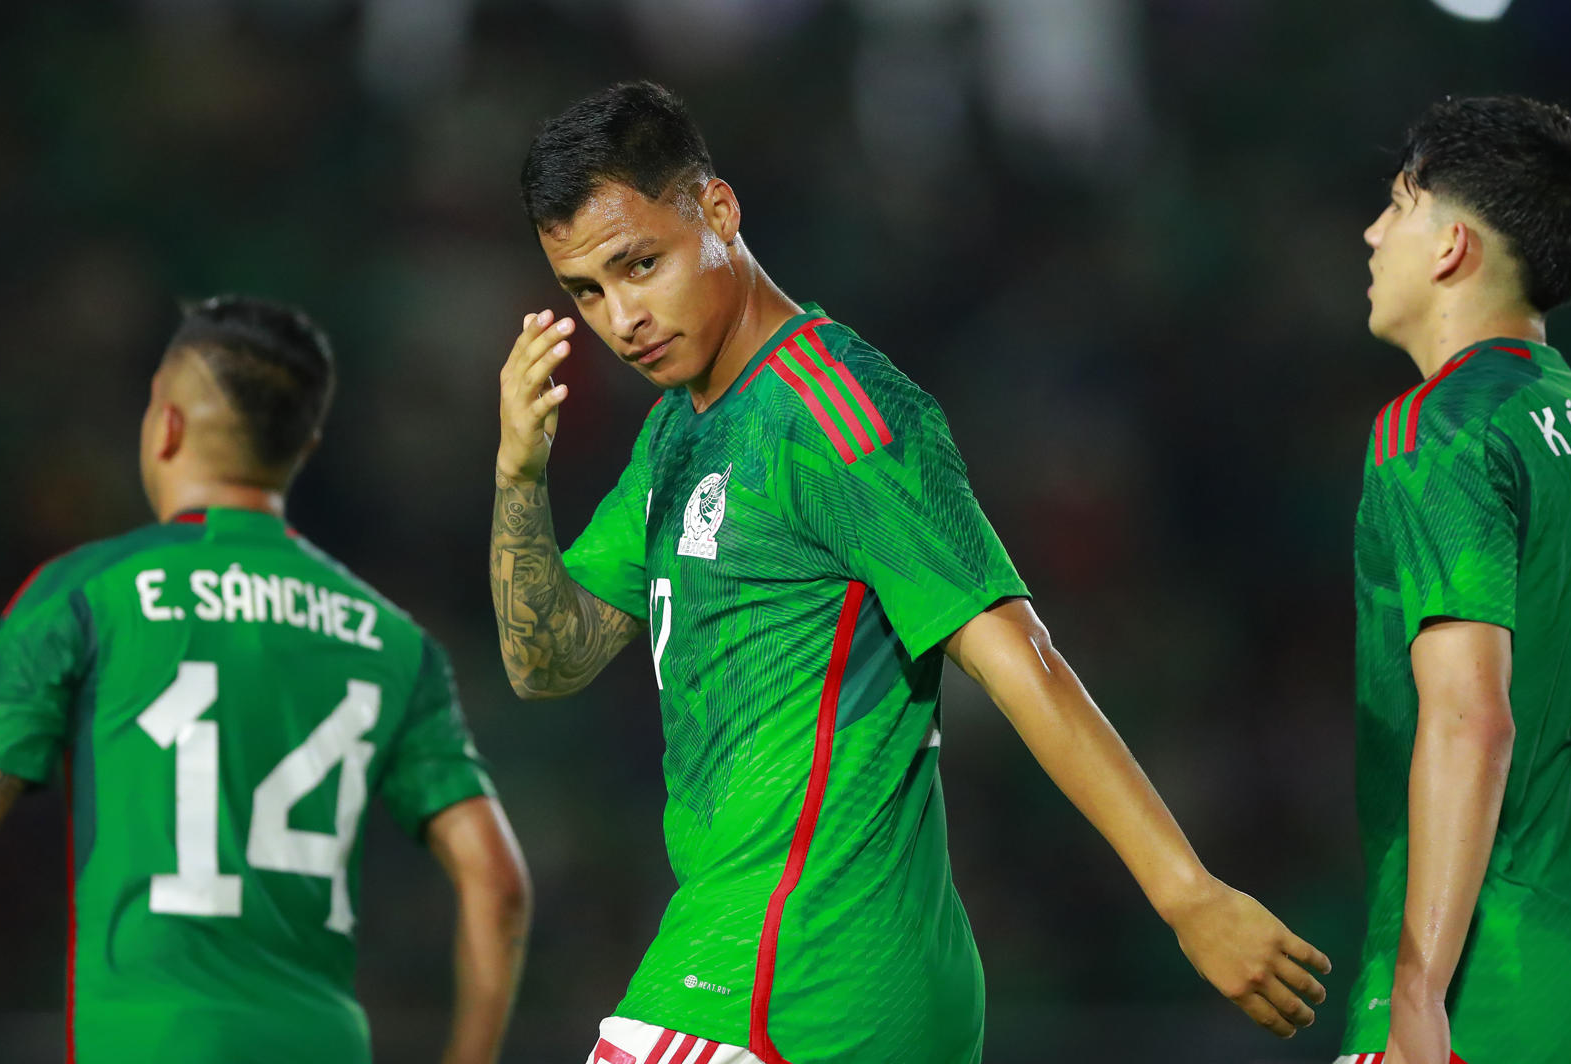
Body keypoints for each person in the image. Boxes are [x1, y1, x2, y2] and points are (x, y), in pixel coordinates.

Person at [490, 81, 1330, 1064]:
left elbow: (1017, 651)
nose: (622, 316)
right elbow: (546, 659)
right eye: (587, 292)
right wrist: (516, 474)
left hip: (781, 979)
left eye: (641, 264)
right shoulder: (678, 432)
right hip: (826, 983)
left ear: (718, 211)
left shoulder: (836, 406)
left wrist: (1186, 891)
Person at [0, 296, 532, 1064]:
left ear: (165, 425)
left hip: (151, 1042)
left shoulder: (84, 592)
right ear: (303, 445)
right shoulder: (395, 639)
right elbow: (497, 882)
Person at [1337, 96, 1571, 1064]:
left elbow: (1472, 716)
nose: (1373, 232)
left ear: (1453, 245)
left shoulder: (1442, 428)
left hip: (1495, 983)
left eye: (1398, 204)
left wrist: (1419, 981)